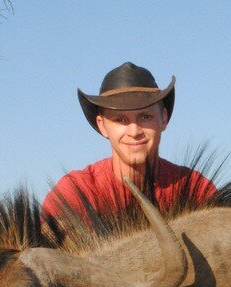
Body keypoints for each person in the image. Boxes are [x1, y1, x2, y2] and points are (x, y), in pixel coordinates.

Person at [42, 62, 216, 220]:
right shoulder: (74, 194)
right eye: (120, 119)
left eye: (145, 117)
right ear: (102, 126)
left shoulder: (197, 190)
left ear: (163, 119)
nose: (134, 131)